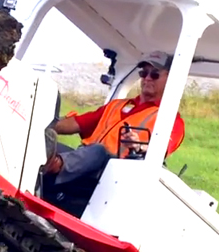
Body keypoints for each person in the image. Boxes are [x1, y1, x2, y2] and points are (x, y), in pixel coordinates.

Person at [40, 50, 185, 215]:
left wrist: (140, 145)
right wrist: (42, 124)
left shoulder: (171, 120)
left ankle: (54, 165)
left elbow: (162, 148)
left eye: (155, 74)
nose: (147, 79)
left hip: (114, 174)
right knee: (49, 144)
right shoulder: (116, 105)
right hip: (85, 161)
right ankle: (46, 163)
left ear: (171, 79)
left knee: (99, 150)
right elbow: (78, 123)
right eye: (144, 73)